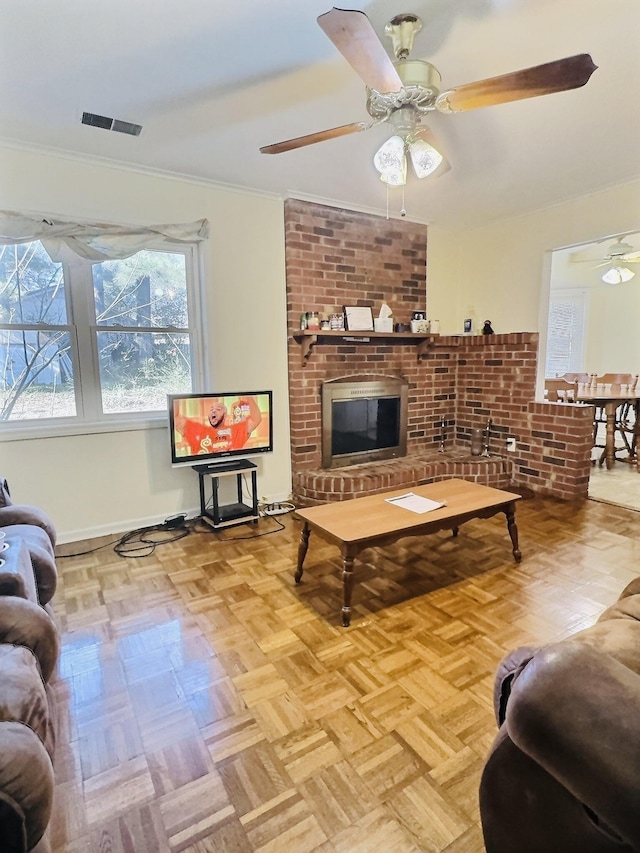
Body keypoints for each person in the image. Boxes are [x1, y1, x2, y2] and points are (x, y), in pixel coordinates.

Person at [174, 395, 262, 456]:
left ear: (225, 416)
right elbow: (175, 418)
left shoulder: (235, 431)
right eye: (211, 409)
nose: (213, 411)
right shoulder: (198, 430)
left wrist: (248, 396)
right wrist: (175, 397)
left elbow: (256, 419)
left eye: (218, 409)